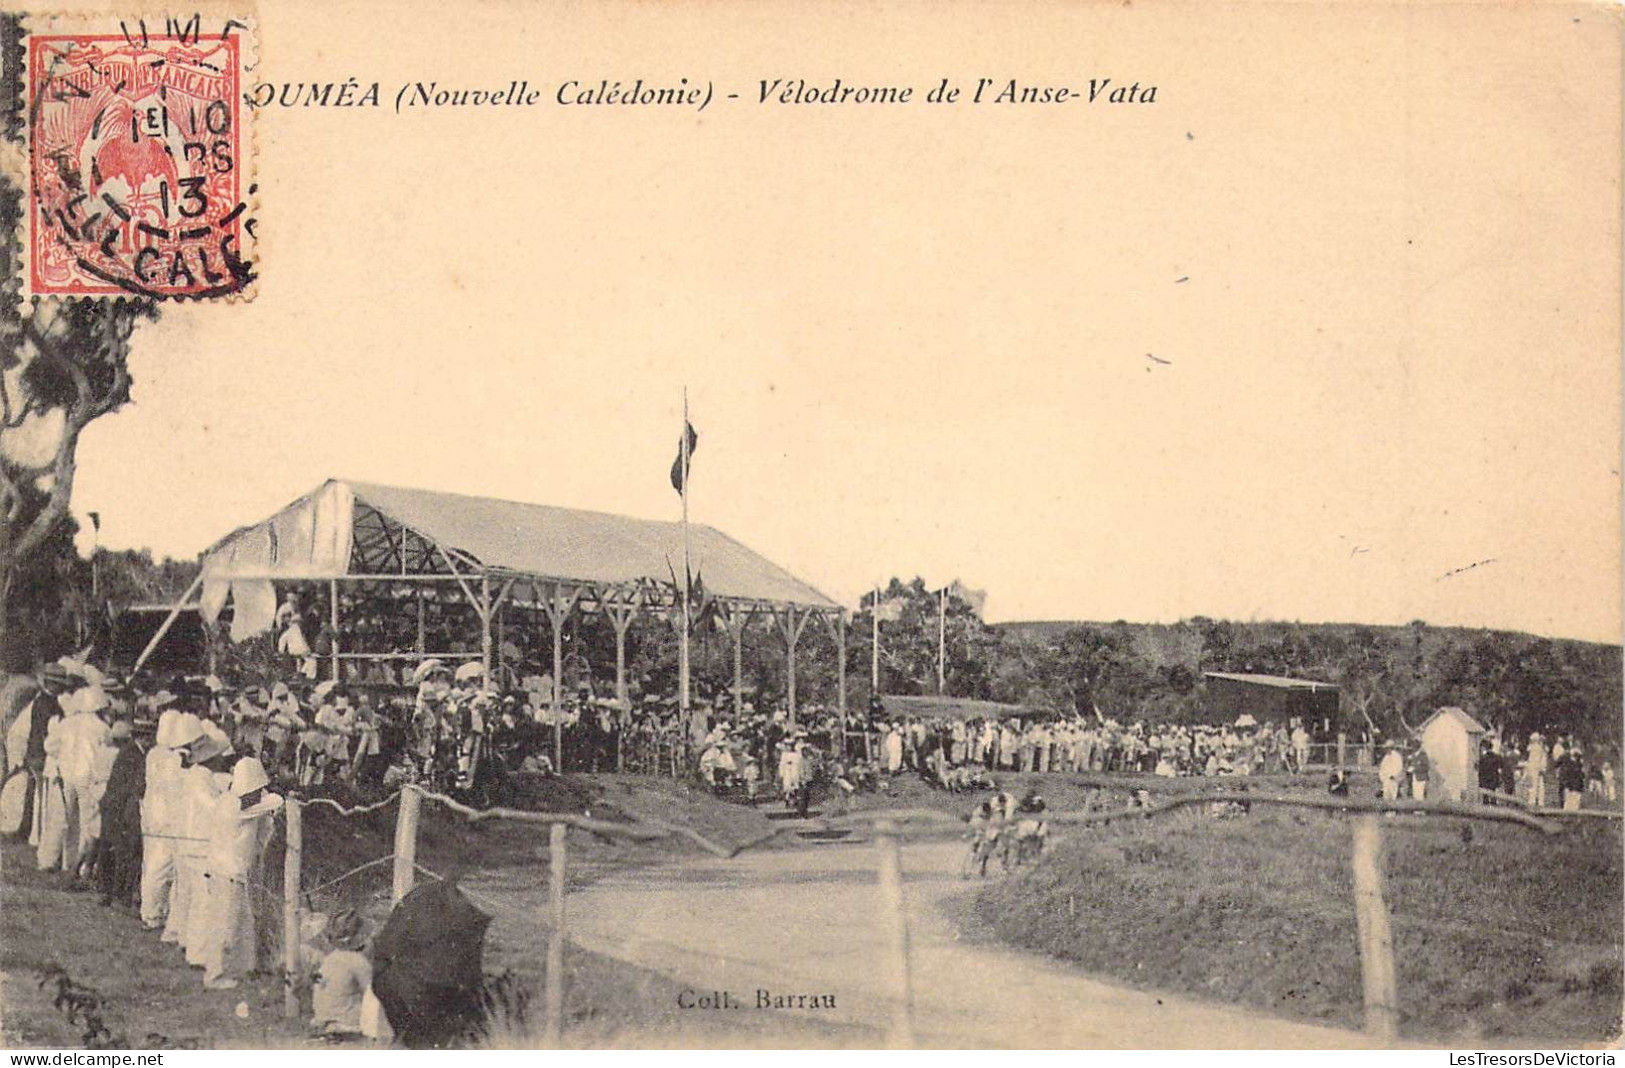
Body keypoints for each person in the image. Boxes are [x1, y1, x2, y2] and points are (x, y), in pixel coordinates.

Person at [201, 756, 283, 990]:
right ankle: (214, 975)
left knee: (242, 921)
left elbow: (263, 830)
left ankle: (242, 968)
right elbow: (275, 802)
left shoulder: (235, 802)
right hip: (226, 873)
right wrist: (270, 796)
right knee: (225, 925)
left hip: (228, 872)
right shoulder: (234, 807)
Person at [140, 704, 185, 929]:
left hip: (152, 813)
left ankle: (150, 909)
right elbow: (176, 790)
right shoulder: (173, 759)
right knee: (161, 867)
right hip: (166, 818)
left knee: (151, 864)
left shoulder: (154, 754)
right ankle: (154, 913)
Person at [99, 716, 148, 909]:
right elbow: (128, 786)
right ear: (142, 737)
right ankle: (116, 893)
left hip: (117, 805)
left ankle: (112, 892)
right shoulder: (132, 755)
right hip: (117, 806)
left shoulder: (134, 752)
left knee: (117, 850)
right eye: (148, 737)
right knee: (121, 850)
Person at [311, 909, 373, 1036]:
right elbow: (371, 993)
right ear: (362, 939)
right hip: (346, 1018)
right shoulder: (358, 962)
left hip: (322, 1015)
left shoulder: (330, 958)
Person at [1526, 733, 1550, 807]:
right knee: (1540, 785)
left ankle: (1532, 801)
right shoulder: (1541, 748)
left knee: (1533, 785)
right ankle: (1540, 801)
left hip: (1534, 768)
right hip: (1538, 768)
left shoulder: (1534, 748)